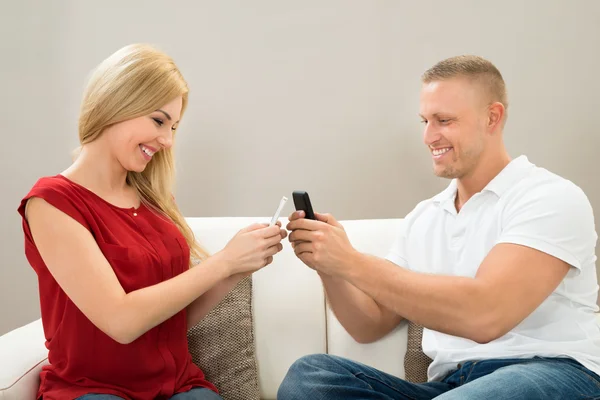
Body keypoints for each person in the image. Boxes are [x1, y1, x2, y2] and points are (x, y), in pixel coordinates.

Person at [278, 55, 600, 399]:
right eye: (425, 121)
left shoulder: (549, 197)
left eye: (444, 120)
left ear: (492, 117)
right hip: (451, 385)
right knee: (310, 377)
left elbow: (487, 316)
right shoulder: (425, 217)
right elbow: (369, 325)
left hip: (554, 371)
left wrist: (350, 260)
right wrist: (329, 267)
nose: (430, 136)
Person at [18, 43, 286, 400]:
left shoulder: (155, 202)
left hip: (178, 387)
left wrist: (236, 269)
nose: (168, 141)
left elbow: (172, 321)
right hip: (94, 391)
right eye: (159, 121)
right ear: (116, 103)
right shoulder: (52, 203)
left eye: (174, 127)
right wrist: (222, 261)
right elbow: (121, 322)